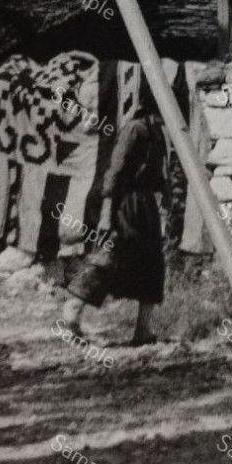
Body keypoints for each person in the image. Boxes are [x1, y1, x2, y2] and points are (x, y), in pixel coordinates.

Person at [61, 75, 169, 345]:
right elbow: (115, 172)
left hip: (145, 206)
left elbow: (157, 175)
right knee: (108, 259)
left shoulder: (158, 133)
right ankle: (71, 314)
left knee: (152, 263)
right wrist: (108, 214)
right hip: (125, 204)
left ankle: (143, 330)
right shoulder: (135, 129)